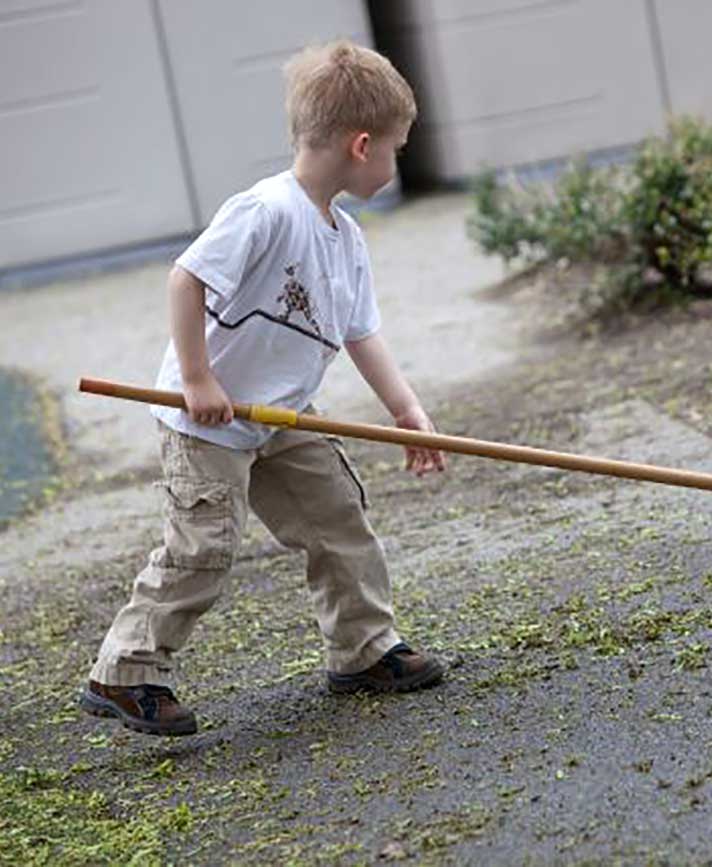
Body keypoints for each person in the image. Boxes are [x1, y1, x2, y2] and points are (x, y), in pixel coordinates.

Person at [80, 41, 446, 737]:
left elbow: (359, 333)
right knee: (204, 546)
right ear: (361, 145)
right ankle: (124, 670)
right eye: (396, 149)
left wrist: (405, 410)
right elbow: (185, 279)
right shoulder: (265, 210)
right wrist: (195, 376)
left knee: (336, 515)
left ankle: (364, 649)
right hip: (206, 420)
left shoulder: (346, 240)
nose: (397, 162)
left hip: (281, 414)